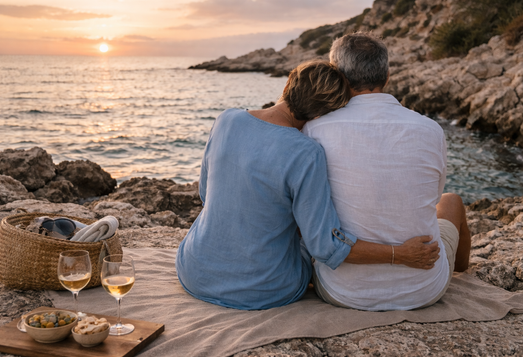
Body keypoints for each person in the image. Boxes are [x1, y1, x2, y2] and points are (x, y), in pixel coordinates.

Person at [175, 60, 440, 310]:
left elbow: (205, 193)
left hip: (194, 271)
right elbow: (325, 248)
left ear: (288, 84)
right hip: (265, 289)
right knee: (310, 239)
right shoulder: (306, 152)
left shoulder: (226, 120)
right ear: (321, 115)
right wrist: (400, 254)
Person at [302, 33, 471, 311]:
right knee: (450, 201)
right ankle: (458, 268)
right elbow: (432, 195)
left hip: (344, 292)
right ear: (387, 75)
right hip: (423, 289)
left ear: (339, 77)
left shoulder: (315, 129)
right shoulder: (430, 129)